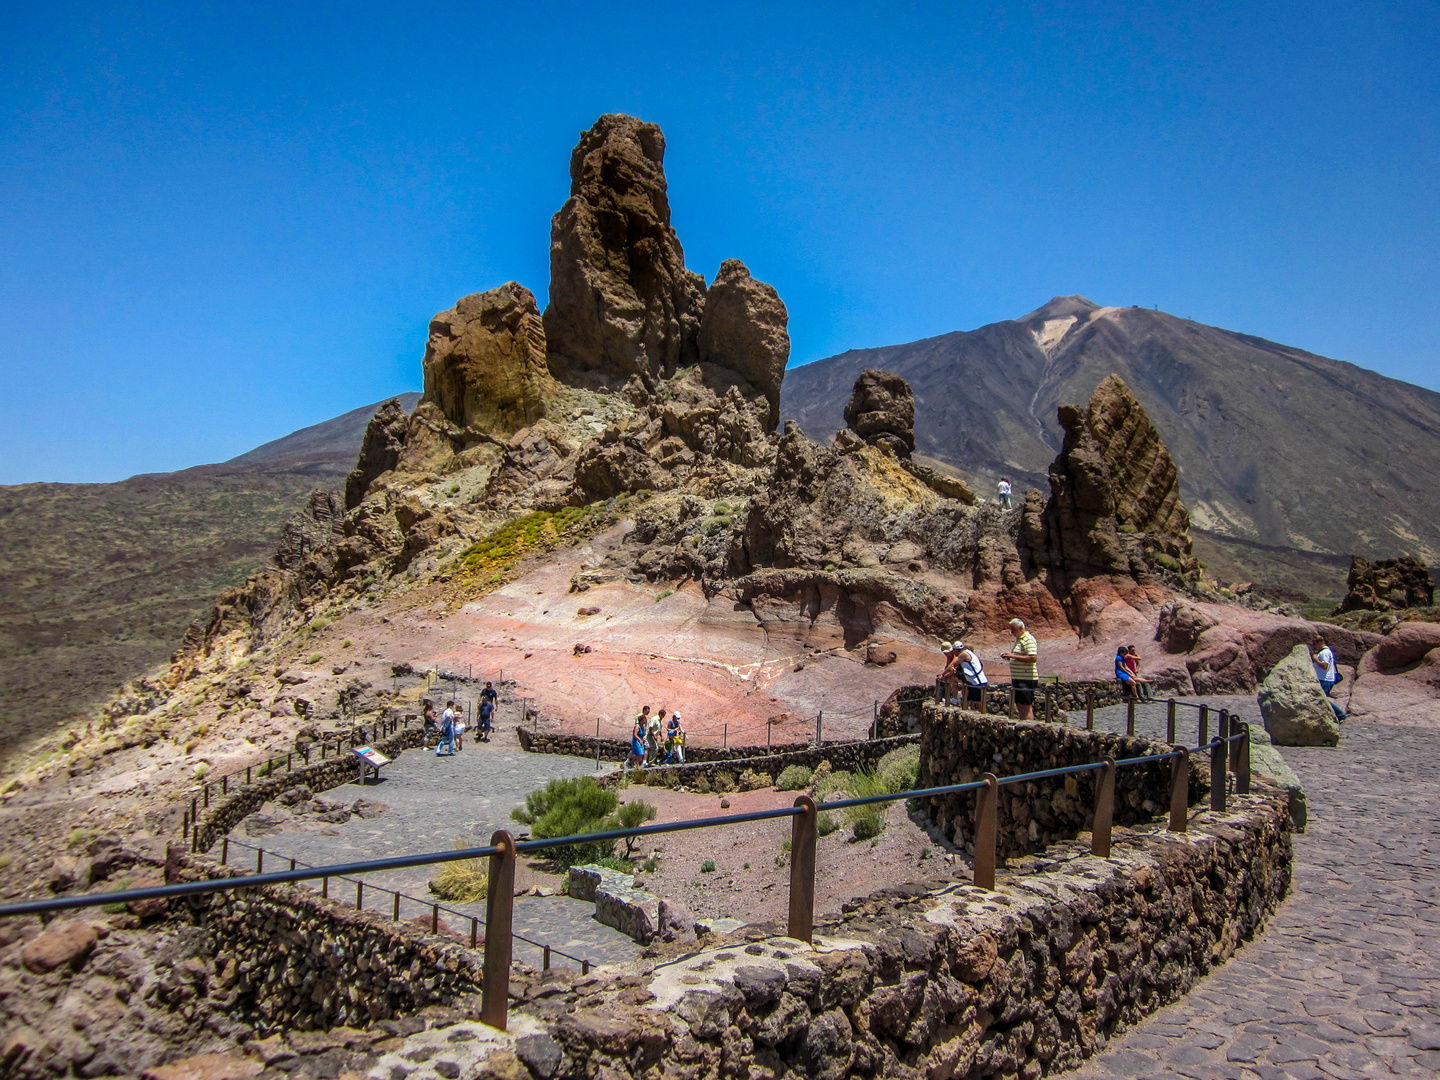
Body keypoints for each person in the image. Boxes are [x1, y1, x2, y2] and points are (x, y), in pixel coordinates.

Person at [1001, 618, 1039, 719]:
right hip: (1019, 678)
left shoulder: (1028, 639)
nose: (1012, 632)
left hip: (1026, 679)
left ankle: (1029, 727)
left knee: (1026, 706)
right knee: (1020, 705)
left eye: (1013, 629)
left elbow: (1032, 658)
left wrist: (1013, 656)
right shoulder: (1020, 640)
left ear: (1021, 628)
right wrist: (1010, 657)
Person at [1312, 636, 1347, 720]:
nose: (1314, 646)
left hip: (1325, 678)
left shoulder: (1324, 652)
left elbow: (1325, 666)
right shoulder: (1326, 651)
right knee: (1321, 699)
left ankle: (1340, 715)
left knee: (1322, 699)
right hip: (1324, 678)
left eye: (1315, 644)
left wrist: (1316, 659)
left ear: (1319, 642)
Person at [955, 640, 989, 708]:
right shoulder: (973, 657)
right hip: (972, 681)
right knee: (972, 700)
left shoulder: (964, 655)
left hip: (977, 682)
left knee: (978, 701)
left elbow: (954, 664)